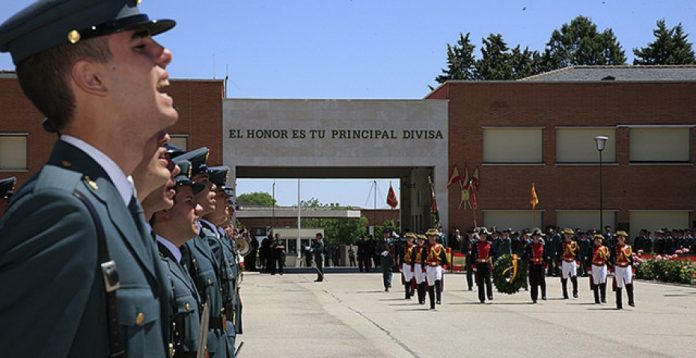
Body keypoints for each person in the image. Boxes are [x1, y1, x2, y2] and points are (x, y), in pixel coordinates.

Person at [0, 1, 177, 356]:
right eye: (141, 45)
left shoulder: (115, 203)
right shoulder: (60, 211)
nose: (165, 54)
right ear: (92, 78)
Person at [175, 148, 233, 357]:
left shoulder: (198, 237)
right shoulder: (184, 241)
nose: (210, 188)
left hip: (217, 337)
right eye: (203, 182)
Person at [150, 160, 204, 358]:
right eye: (190, 201)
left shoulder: (176, 260)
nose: (199, 209)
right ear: (164, 211)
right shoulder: (157, 264)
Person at [423, 228, 448, 309]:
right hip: (429, 267)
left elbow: (444, 259)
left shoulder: (440, 247)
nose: (432, 238)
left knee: (438, 281)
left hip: (437, 266)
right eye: (430, 237)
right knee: (430, 285)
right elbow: (423, 259)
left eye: (434, 237)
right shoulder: (425, 248)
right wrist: (423, 268)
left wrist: (444, 267)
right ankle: (432, 304)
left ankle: (438, 298)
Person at [611, 231, 635, 309]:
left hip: (627, 266)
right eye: (620, 238)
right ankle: (619, 304)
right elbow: (612, 258)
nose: (621, 239)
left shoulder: (628, 247)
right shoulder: (614, 247)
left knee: (629, 282)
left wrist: (633, 268)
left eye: (623, 238)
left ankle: (631, 301)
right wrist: (612, 267)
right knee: (619, 285)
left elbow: (631, 259)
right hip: (618, 267)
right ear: (617, 238)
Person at [471, 230, 493, 304]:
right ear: (479, 236)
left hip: (486, 264)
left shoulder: (489, 244)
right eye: (482, 235)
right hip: (479, 264)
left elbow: (492, 253)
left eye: (484, 235)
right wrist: (473, 265)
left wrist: (491, 259)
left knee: (488, 281)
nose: (483, 237)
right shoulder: (475, 244)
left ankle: (490, 295)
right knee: (480, 282)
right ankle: (481, 298)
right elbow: (472, 256)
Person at [525, 229, 547, 303]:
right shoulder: (529, 246)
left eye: (538, 236)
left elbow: (545, 256)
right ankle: (534, 297)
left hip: (540, 265)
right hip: (533, 265)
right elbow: (525, 255)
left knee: (542, 280)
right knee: (533, 282)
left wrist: (546, 265)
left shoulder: (542, 246)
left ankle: (543, 294)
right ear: (533, 237)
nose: (537, 238)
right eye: (535, 236)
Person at [559, 228, 579, 299]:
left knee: (574, 277)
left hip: (572, 261)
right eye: (567, 235)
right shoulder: (561, 244)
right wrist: (559, 263)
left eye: (570, 235)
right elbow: (559, 254)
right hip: (565, 262)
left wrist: (578, 262)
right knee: (564, 278)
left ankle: (575, 291)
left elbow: (577, 253)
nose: (568, 236)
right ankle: (565, 293)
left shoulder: (574, 244)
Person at [590, 234, 610, 304]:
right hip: (595, 265)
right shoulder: (591, 248)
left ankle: (603, 297)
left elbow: (608, 258)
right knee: (595, 282)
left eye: (599, 240)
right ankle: (596, 298)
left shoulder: (605, 248)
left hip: (603, 266)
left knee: (603, 281)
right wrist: (589, 268)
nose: (598, 241)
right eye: (596, 240)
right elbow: (589, 258)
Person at [399, 233, 417, 299]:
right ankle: (407, 294)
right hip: (405, 264)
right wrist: (400, 265)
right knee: (407, 279)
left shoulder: (415, 247)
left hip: (413, 265)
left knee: (412, 278)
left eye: (411, 239)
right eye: (408, 239)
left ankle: (412, 290)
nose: (409, 240)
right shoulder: (403, 247)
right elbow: (401, 257)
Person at [413, 234, 428, 304]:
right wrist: (412, 267)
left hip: (423, 266)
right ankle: (419, 297)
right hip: (416, 266)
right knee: (418, 282)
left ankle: (423, 297)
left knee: (423, 282)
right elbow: (413, 258)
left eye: (422, 240)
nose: (420, 242)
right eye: (419, 240)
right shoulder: (414, 249)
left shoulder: (426, 249)